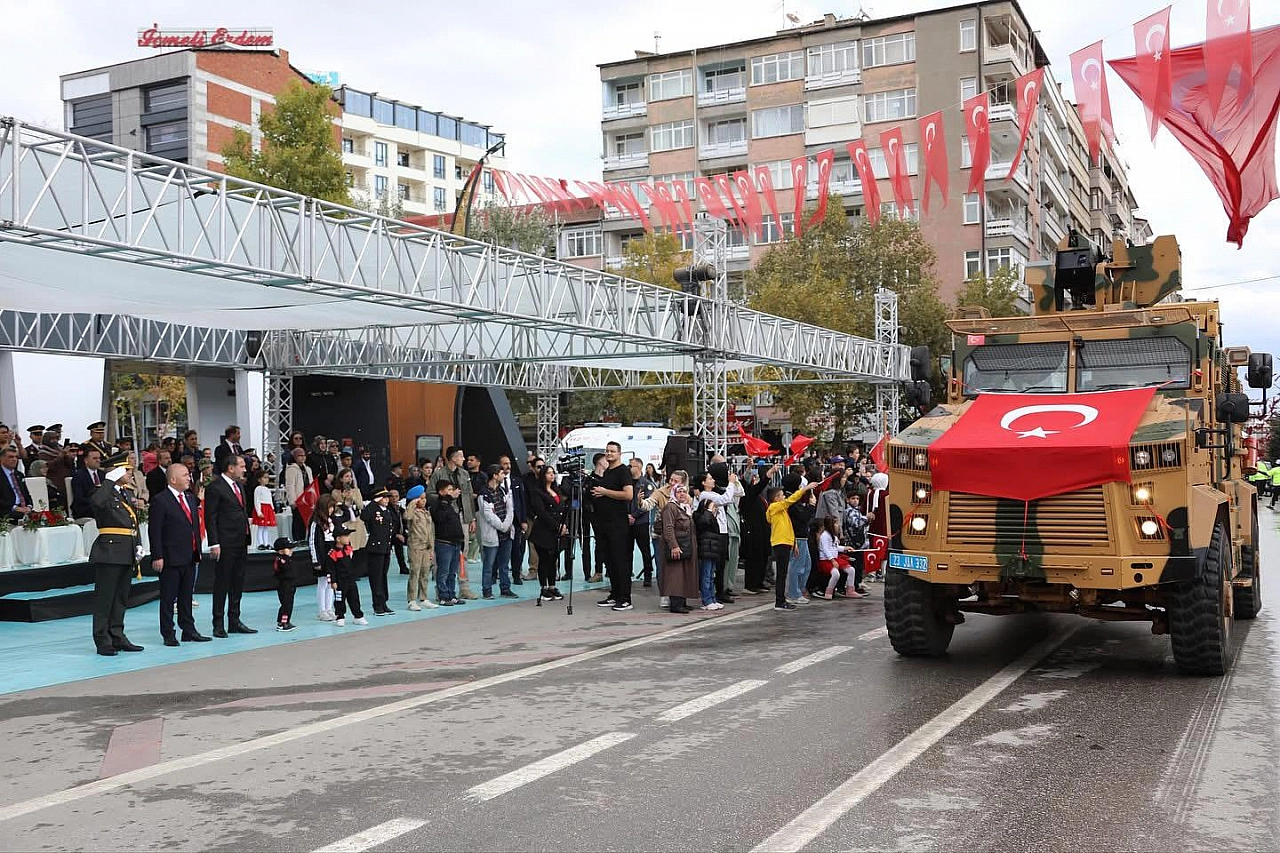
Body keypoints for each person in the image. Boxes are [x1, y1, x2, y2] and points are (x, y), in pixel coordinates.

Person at [149, 462, 211, 646]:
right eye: (185, 475)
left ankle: (188, 629)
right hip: (170, 557)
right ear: (173, 478)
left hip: (190, 555)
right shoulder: (160, 500)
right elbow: (155, 531)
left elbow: (194, 527)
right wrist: (157, 556)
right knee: (168, 598)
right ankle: (168, 632)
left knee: (186, 596)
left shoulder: (190, 498)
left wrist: (197, 551)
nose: (188, 478)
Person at [88, 452, 144, 655]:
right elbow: (97, 504)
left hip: (127, 549)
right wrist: (108, 481)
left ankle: (118, 635)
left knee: (121, 598)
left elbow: (133, 522)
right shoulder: (103, 491)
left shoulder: (127, 493)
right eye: (126, 470)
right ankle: (102, 639)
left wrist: (138, 543)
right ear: (116, 471)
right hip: (110, 550)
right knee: (105, 598)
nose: (130, 473)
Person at [204, 454, 256, 637]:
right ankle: (218, 623)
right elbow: (210, 517)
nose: (245, 469)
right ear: (231, 467)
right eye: (241, 465)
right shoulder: (215, 488)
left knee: (237, 582)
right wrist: (214, 543)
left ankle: (234, 620)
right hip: (225, 542)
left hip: (241, 541)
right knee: (222, 583)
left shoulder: (240, 486)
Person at [591, 441, 636, 612]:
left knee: (620, 560)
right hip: (604, 522)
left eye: (612, 451)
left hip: (618, 524)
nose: (609, 454)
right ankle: (615, 594)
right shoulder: (608, 471)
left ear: (619, 454)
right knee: (609, 560)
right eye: (607, 451)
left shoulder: (623, 471)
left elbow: (628, 494)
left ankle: (625, 597)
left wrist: (604, 492)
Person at [430, 446, 478, 599]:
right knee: (443, 555)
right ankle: (441, 590)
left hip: (462, 516)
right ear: (452, 458)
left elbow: (469, 496)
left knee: (462, 553)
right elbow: (430, 494)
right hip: (445, 517)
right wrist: (447, 496)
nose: (464, 459)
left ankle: (464, 587)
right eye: (461, 456)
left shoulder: (464, 474)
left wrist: (472, 518)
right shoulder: (438, 474)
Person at [767, 479, 818, 612]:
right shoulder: (774, 507)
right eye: (782, 495)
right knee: (782, 574)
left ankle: (782, 600)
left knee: (783, 573)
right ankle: (780, 601)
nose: (784, 497)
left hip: (786, 542)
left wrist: (793, 543)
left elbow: (788, 528)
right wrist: (805, 489)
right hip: (780, 542)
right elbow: (790, 500)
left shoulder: (782, 510)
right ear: (776, 498)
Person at [526, 464, 567, 602]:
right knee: (544, 560)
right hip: (544, 531)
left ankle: (552, 586)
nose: (551, 475)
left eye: (553, 473)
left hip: (557, 530)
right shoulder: (537, 492)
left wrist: (563, 525)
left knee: (553, 559)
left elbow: (562, 508)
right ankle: (543, 587)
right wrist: (556, 526)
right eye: (548, 473)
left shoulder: (557, 490)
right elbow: (541, 512)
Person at [478, 465, 517, 599]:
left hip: (506, 533)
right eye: (501, 473)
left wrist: (507, 525)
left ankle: (505, 589)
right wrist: (502, 526)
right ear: (494, 475)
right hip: (493, 534)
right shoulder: (484, 494)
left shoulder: (503, 491)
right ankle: (487, 590)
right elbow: (488, 515)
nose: (504, 475)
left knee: (504, 564)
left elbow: (510, 508)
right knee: (488, 565)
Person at [659, 484, 698, 614]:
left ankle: (682, 602)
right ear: (674, 494)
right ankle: (675, 604)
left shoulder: (685, 508)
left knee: (685, 573)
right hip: (677, 545)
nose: (682, 494)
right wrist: (674, 546)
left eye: (684, 492)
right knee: (675, 575)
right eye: (679, 492)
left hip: (686, 545)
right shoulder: (670, 507)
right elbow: (668, 528)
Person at [431, 479, 468, 607]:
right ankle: (443, 596)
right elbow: (440, 518)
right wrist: (446, 499)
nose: (452, 492)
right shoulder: (438, 504)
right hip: (444, 543)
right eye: (449, 490)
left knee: (453, 572)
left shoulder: (452, 504)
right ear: (441, 491)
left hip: (456, 542)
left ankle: (452, 594)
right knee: (443, 571)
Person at [360, 488, 396, 616]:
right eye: (384, 497)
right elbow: (363, 516)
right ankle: (377, 605)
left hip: (385, 548)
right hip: (376, 548)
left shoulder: (387, 511)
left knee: (383, 577)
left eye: (387, 497)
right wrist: (373, 503)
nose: (387, 500)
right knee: (376, 578)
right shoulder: (373, 510)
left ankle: (383, 602)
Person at [403, 485, 438, 610]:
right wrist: (412, 504)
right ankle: (411, 600)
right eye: (421, 499)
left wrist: (432, 548)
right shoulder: (412, 512)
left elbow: (431, 531)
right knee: (415, 573)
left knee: (425, 573)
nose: (424, 501)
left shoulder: (426, 512)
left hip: (427, 546)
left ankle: (423, 597)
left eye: (424, 498)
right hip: (416, 546)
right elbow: (407, 516)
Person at [326, 527, 367, 627]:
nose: (348, 538)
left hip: (350, 579)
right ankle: (340, 616)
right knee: (340, 599)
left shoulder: (349, 549)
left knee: (354, 598)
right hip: (340, 581)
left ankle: (358, 616)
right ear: (338, 539)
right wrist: (332, 581)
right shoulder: (332, 553)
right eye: (346, 536)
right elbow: (330, 570)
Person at [692, 486, 724, 611]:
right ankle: (707, 600)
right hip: (706, 549)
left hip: (712, 549)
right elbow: (704, 522)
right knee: (706, 575)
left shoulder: (711, 518)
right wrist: (709, 511)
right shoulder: (701, 516)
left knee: (711, 575)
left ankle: (712, 598)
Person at [628, 458, 656, 587]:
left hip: (641, 522)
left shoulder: (646, 484)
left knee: (644, 549)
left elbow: (647, 504)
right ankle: (627, 573)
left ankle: (648, 574)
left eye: (631, 465)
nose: (629, 468)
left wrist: (634, 515)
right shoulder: (626, 482)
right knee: (627, 550)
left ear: (639, 467)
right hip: (627, 521)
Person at [310, 494, 338, 621]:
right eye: (329, 507)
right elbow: (312, 541)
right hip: (322, 555)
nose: (331, 510)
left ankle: (329, 608)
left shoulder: (331, 521)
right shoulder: (316, 522)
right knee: (322, 584)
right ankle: (322, 610)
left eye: (333, 507)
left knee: (330, 583)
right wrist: (316, 560)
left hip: (332, 555)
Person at [501, 455, 527, 587]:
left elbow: (522, 501)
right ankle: (497, 575)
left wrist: (523, 520)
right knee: (500, 548)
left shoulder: (517, 481)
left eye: (509, 463)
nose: (508, 466)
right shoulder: (496, 482)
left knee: (516, 549)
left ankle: (516, 574)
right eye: (505, 464)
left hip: (516, 520)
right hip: (501, 519)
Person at [284, 448, 314, 543]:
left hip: (307, 498)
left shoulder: (308, 469)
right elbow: (290, 486)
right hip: (298, 498)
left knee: (307, 520)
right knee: (298, 521)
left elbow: (311, 483)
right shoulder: (291, 469)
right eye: (300, 456)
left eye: (304, 455)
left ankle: (306, 539)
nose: (303, 458)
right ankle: (297, 539)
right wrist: (292, 501)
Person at [272, 537, 299, 631]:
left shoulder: (287, 559)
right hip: (285, 585)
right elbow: (284, 569)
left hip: (290, 584)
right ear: (281, 551)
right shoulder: (281, 560)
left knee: (287, 604)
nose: (291, 550)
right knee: (286, 605)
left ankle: (283, 621)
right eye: (289, 549)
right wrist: (286, 557)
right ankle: (284, 623)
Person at [70, 447, 104, 520]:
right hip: (85, 509)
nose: (98, 460)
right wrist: (97, 503)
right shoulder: (78, 476)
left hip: (102, 508)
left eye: (99, 458)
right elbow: (79, 498)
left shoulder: (103, 475)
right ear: (86, 460)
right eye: (94, 458)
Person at [0, 446, 32, 523]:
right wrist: (15, 507)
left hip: (23, 509)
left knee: (43, 516)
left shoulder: (19, 475)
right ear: (2, 459)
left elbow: (26, 495)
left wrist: (29, 506)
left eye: (16, 457)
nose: (14, 459)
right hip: (6, 510)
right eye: (11, 457)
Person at [251, 469, 277, 550]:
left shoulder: (267, 489)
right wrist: (259, 511)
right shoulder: (258, 489)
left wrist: (272, 509)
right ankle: (260, 543)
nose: (266, 479)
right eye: (264, 477)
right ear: (259, 479)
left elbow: (270, 500)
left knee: (266, 527)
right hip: (262, 508)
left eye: (267, 478)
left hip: (268, 509)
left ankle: (266, 543)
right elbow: (257, 500)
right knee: (261, 527)